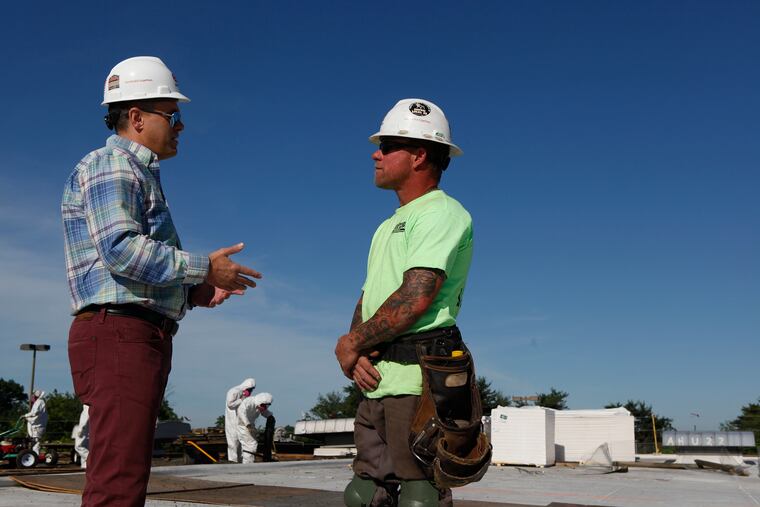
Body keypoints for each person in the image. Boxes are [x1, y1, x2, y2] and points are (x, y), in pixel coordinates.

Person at [62, 56, 262, 507]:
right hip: (121, 334)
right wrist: (203, 269)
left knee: (124, 472)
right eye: (172, 116)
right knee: (118, 480)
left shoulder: (131, 171)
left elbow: (127, 267)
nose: (180, 126)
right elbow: (121, 251)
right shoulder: (114, 165)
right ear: (136, 118)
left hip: (130, 331)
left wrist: (191, 293)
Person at [335, 99, 488, 507]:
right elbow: (370, 296)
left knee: (419, 497)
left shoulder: (442, 213)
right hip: (378, 380)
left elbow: (416, 295)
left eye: (386, 146)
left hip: (418, 383)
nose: (375, 153)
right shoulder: (388, 225)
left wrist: (351, 344)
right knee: (363, 494)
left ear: (420, 154)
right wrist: (356, 350)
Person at [237, 392, 273, 464]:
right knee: (251, 444)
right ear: (260, 402)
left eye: (266, 406)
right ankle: (248, 464)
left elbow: (264, 412)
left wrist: (270, 416)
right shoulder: (248, 402)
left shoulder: (259, 405)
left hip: (250, 426)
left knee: (249, 444)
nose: (264, 407)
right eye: (263, 405)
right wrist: (248, 425)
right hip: (243, 425)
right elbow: (241, 412)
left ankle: (246, 463)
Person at [225, 378, 256, 463]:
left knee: (241, 443)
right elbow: (230, 404)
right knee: (233, 443)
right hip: (232, 421)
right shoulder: (233, 391)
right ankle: (232, 461)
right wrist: (242, 399)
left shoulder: (244, 395)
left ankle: (240, 463)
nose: (250, 391)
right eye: (250, 389)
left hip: (240, 422)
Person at [23, 390, 48, 455]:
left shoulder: (39, 402)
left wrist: (25, 416)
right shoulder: (38, 402)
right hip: (37, 425)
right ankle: (35, 455)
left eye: (33, 395)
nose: (32, 397)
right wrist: (26, 417)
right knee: (34, 441)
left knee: (36, 441)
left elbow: (35, 413)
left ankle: (35, 456)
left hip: (38, 426)